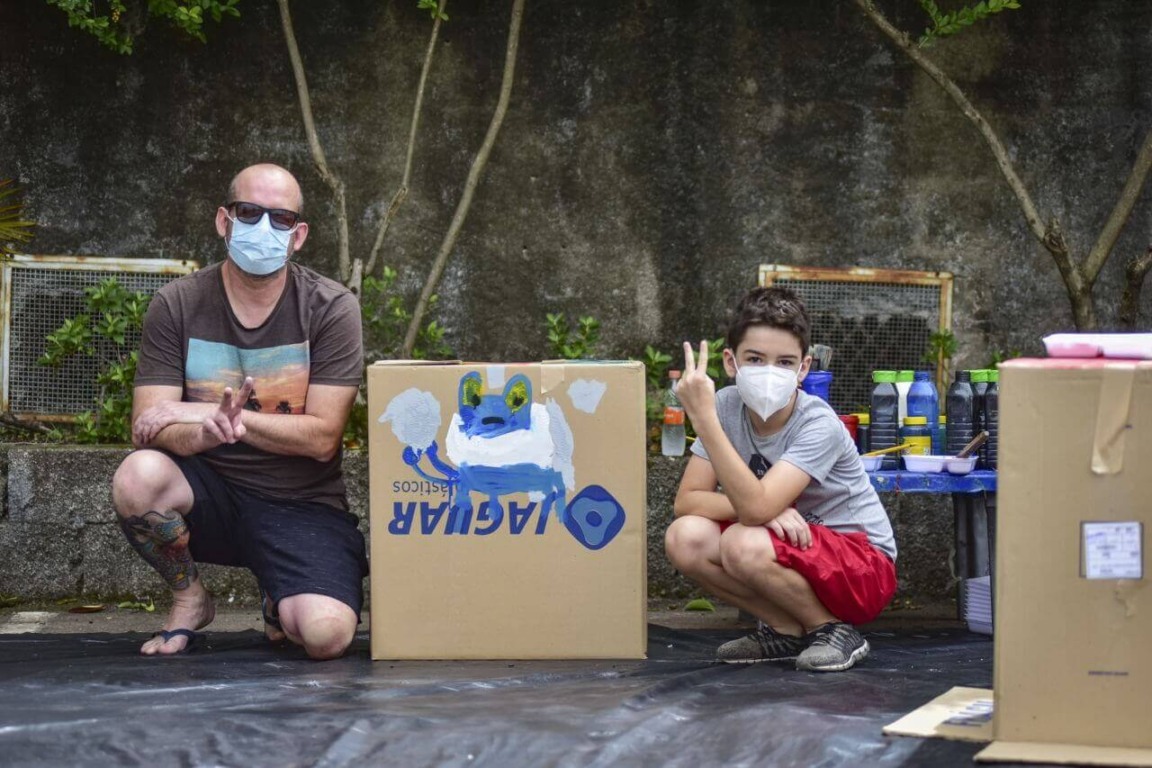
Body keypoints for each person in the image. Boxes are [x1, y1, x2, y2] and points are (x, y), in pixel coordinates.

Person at [111, 163, 367, 659]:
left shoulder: (331, 308)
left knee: (326, 637)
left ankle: (279, 595)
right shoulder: (177, 304)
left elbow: (322, 438)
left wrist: (230, 420)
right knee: (137, 477)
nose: (263, 228)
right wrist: (203, 432)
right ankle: (190, 598)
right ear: (224, 221)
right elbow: (149, 424)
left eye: (281, 218)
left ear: (299, 236)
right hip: (209, 493)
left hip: (301, 504)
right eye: (249, 212)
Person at [664, 286, 896, 672]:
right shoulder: (725, 405)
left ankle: (834, 630)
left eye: (785, 362)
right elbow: (688, 501)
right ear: (730, 361)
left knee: (743, 539)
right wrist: (767, 512)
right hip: (791, 548)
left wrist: (703, 420)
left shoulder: (817, 422)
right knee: (684, 537)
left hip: (864, 566)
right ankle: (785, 630)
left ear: (804, 368)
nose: (770, 372)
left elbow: (754, 509)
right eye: (755, 359)